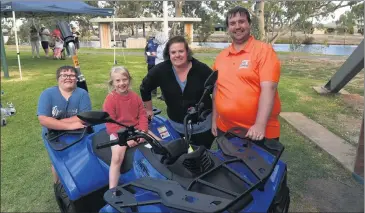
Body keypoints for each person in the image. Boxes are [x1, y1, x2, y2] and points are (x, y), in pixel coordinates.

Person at [211, 6, 282, 141]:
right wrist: (215, 119)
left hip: (256, 132)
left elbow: (269, 89)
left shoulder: (264, 51)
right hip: (225, 129)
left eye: (241, 21)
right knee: (225, 162)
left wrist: (260, 125)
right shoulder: (221, 57)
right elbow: (216, 90)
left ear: (249, 24)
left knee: (259, 163)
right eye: (232, 23)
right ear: (228, 28)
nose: (237, 26)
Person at [140, 36, 215, 149]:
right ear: (168, 54)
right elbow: (145, 88)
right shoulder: (161, 70)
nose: (177, 55)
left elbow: (217, 92)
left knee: (202, 160)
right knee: (179, 160)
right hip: (176, 128)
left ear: (187, 52)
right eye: (173, 52)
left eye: (181, 51)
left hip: (203, 128)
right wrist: (149, 110)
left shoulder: (201, 69)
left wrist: (216, 119)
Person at [37, 65, 92, 185]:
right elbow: (43, 120)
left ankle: (80, 182)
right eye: (64, 75)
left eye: (72, 75)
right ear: (58, 78)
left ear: (76, 79)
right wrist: (69, 125)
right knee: (58, 162)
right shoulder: (47, 94)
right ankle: (58, 186)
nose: (68, 78)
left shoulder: (82, 94)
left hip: (79, 133)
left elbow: (83, 117)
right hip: (53, 136)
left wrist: (54, 122)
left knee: (80, 158)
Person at [103, 66, 149, 189]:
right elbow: (110, 123)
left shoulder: (135, 97)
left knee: (158, 142)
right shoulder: (110, 99)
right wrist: (127, 137)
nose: (122, 83)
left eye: (125, 79)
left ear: (129, 80)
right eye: (118, 81)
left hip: (136, 128)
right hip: (119, 132)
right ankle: (112, 189)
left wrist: (143, 130)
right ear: (112, 82)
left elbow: (142, 115)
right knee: (117, 158)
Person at [153, 32, 169, 101]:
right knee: (161, 81)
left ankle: (165, 96)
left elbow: (165, 56)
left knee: (165, 81)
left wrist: (156, 55)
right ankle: (163, 95)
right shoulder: (160, 45)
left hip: (163, 65)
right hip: (158, 65)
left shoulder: (167, 46)